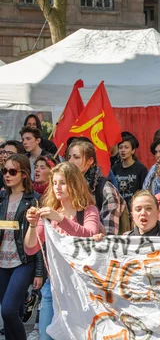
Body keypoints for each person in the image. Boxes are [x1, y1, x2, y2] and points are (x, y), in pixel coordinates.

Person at [24, 162, 101, 340]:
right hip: (54, 285)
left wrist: (59, 218)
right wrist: (33, 224)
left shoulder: (88, 210)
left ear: (75, 183)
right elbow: (31, 247)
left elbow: (89, 234)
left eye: (63, 182)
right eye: (55, 182)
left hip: (82, 286)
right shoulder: (50, 213)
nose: (58, 187)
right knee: (45, 335)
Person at [0, 155, 43, 340]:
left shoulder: (34, 200)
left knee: (8, 311)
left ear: (24, 174)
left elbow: (41, 239)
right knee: (11, 314)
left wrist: (39, 272)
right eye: (4, 171)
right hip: (2, 262)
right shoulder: (1, 197)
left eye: (12, 171)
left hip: (23, 262)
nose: (7, 175)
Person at [67, 140, 126, 235]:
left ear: (90, 161)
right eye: (69, 157)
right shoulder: (67, 187)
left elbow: (110, 235)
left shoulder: (105, 189)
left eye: (76, 157)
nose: (70, 161)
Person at [94, 190, 160, 240]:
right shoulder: (124, 240)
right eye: (138, 209)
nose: (143, 213)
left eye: (148, 208)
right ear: (132, 215)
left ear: (158, 212)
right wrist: (100, 243)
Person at [112, 134, 148, 207]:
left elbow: (144, 190)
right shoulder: (115, 168)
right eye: (120, 147)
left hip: (135, 206)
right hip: (119, 207)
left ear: (133, 151)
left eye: (126, 147)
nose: (123, 150)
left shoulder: (140, 168)